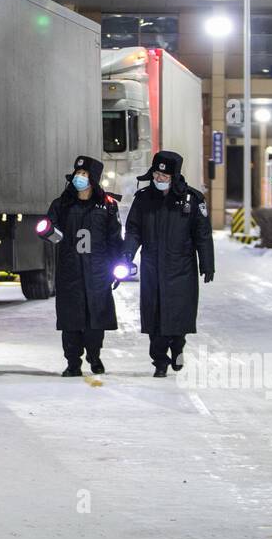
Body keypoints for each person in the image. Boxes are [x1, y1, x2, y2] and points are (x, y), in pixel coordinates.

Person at [121, 150, 215, 378]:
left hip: (181, 268)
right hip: (152, 267)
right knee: (155, 318)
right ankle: (160, 362)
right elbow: (133, 230)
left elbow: (202, 233)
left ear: (174, 176)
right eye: (156, 174)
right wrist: (127, 255)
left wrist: (207, 263)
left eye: (165, 176)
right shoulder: (144, 199)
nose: (160, 179)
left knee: (178, 317)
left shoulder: (192, 200)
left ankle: (178, 348)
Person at [42, 155, 123, 377]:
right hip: (70, 273)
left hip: (98, 273)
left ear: (94, 179)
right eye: (77, 173)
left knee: (95, 320)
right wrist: (48, 231)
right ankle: (73, 363)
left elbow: (115, 239)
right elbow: (51, 232)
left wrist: (120, 264)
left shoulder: (107, 206)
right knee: (71, 320)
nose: (79, 178)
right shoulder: (62, 205)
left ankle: (94, 356)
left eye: (84, 174)